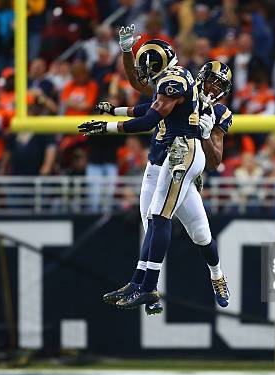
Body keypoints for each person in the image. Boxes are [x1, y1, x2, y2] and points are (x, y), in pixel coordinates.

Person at [79, 33, 229, 312]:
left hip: (182, 155)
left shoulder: (190, 91)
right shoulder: (174, 82)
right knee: (151, 222)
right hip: (161, 161)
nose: (211, 86)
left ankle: (200, 278)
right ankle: (141, 283)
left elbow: (151, 120)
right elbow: (147, 104)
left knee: (193, 231)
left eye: (218, 84)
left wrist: (109, 126)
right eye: (209, 79)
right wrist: (115, 110)